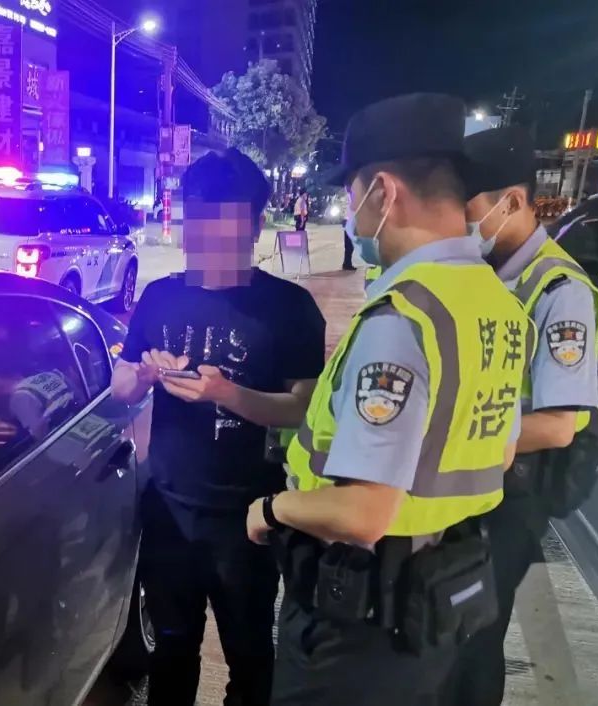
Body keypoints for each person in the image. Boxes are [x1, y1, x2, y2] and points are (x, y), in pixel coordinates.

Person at [246, 94, 532, 706]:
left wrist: (271, 509)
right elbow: (500, 451)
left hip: (360, 624)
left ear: (382, 192)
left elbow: (363, 513)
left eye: (351, 194)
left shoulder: (404, 319)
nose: (352, 214)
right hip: (437, 597)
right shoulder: (498, 303)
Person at [111, 147, 326, 706]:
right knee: (171, 650)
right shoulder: (160, 296)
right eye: (198, 224)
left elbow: (302, 407)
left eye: (223, 227)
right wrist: (143, 375)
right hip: (169, 507)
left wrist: (227, 394)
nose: (206, 241)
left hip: (248, 518)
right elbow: (121, 386)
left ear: (254, 226)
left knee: (250, 657)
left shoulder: (290, 307)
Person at [442, 126, 598, 706]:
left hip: (510, 496)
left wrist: (457, 440)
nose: (458, 224)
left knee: (474, 641)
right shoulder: (481, 273)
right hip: (467, 486)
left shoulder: (559, 291)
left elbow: (560, 425)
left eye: (466, 209)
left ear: (511, 202)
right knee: (444, 632)